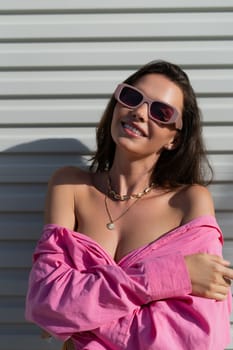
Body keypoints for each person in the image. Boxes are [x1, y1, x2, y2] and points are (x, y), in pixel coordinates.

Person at [25, 60, 233, 349]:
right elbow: (44, 302)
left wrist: (77, 319)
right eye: (132, 97)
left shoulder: (189, 201)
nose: (138, 112)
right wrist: (173, 275)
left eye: (161, 112)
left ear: (175, 138)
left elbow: (198, 338)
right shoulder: (69, 186)